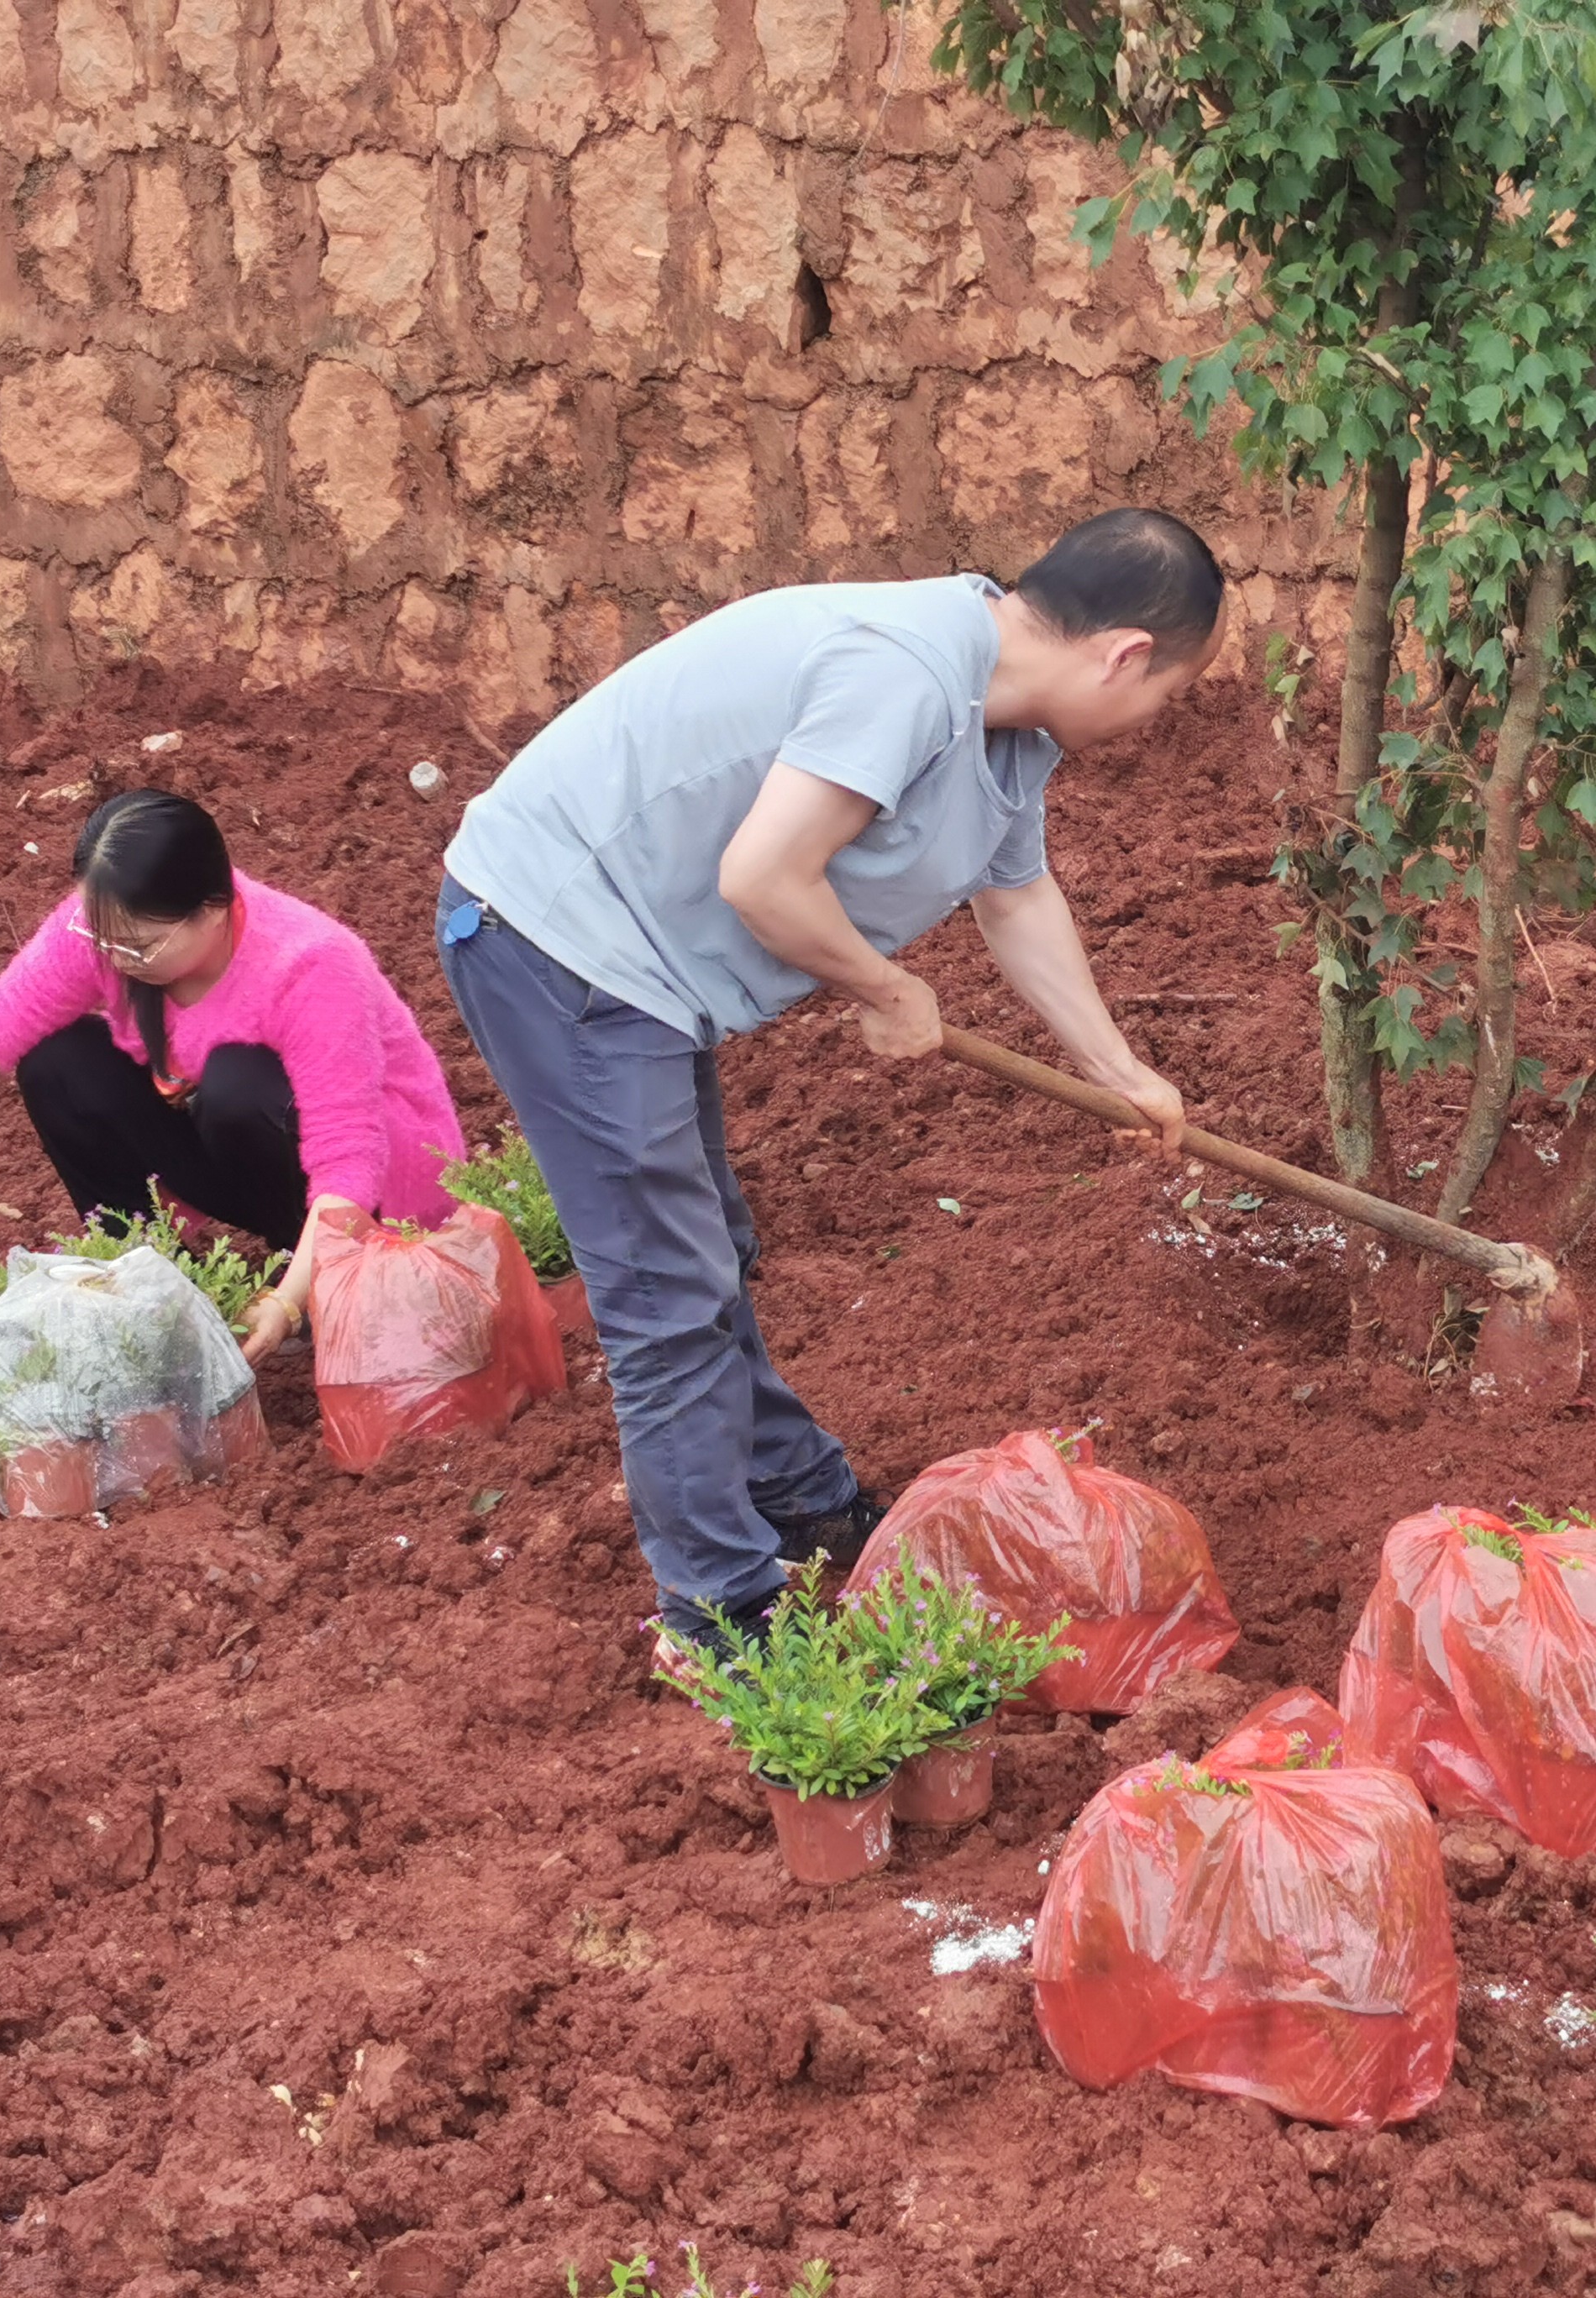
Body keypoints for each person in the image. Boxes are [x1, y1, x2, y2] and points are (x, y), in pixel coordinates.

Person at [436, 507, 1222, 1655]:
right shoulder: (906, 672)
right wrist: (883, 986)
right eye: (1170, 693)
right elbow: (763, 876)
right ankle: (719, 1614)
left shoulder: (1011, 732)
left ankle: (795, 1496)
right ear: (1124, 655)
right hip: (559, 937)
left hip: (646, 964)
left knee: (707, 1252)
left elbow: (1016, 900)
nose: (1159, 720)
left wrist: (1122, 1072)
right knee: (665, 1291)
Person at [0, 790, 469, 1363]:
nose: (115, 958)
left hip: (381, 1191)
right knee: (57, 1062)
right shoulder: (111, 926)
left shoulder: (309, 964)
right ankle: (159, 1289)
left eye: (138, 946)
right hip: (245, 1153)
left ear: (212, 910)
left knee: (237, 1082)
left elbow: (349, 1159)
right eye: (101, 936)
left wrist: (289, 1302)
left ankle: (327, 1280)